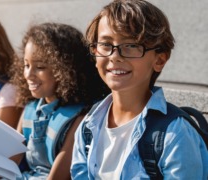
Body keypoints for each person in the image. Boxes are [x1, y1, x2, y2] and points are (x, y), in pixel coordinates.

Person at [71, 0, 208, 179]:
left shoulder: (174, 134)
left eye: (131, 45)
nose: (115, 56)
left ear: (159, 60)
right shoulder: (89, 124)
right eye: (105, 44)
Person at [0, 22, 110, 180]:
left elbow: (58, 177)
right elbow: (8, 163)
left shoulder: (79, 117)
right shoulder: (30, 109)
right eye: (26, 65)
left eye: (40, 67)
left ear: (65, 69)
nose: (28, 74)